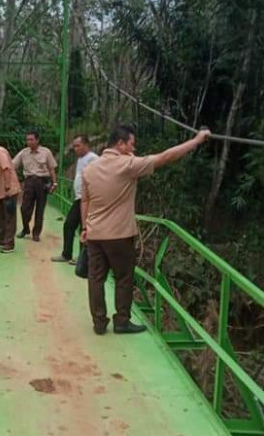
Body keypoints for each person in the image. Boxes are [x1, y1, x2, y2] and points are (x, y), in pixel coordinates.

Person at [80, 125, 211, 335]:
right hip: (119, 235)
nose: (134, 148)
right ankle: (121, 322)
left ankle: (99, 323)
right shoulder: (128, 164)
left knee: (96, 279)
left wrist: (85, 227)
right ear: (120, 144)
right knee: (123, 278)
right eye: (131, 143)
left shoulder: (89, 169)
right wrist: (196, 140)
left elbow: (85, 200)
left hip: (95, 234)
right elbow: (165, 157)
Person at [51, 135, 98, 264]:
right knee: (69, 225)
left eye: (78, 146)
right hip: (79, 198)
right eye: (74, 146)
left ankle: (82, 258)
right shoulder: (81, 159)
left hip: (87, 199)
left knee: (84, 227)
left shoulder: (93, 158)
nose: (75, 149)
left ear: (86, 145)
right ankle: (67, 254)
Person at [12, 131, 58, 242]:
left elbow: (51, 169)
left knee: (40, 209)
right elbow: (13, 165)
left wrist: (54, 183)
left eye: (31, 139)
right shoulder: (24, 153)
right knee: (24, 208)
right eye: (27, 140)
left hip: (42, 181)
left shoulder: (46, 152)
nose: (29, 142)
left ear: (37, 140)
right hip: (29, 182)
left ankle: (36, 233)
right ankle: (25, 228)